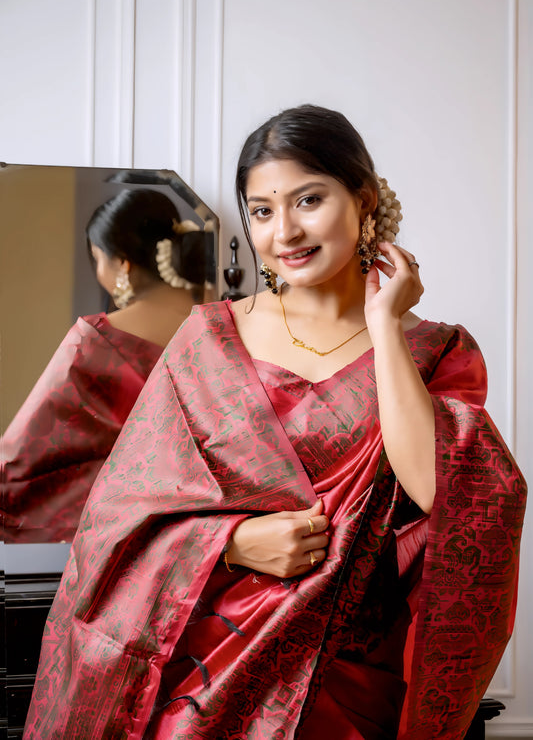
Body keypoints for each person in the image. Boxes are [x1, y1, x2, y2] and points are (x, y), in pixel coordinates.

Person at [23, 105, 526, 739]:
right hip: (197, 681)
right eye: (261, 210)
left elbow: (447, 497)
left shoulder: (436, 351)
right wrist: (230, 544)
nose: (284, 230)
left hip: (348, 691)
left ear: (363, 200)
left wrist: (384, 330)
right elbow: (117, 514)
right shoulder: (208, 339)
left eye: (308, 200)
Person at [2, 187, 213, 542]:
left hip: (123, 526)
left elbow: (21, 460)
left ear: (122, 264)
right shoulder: (221, 325)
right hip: (204, 526)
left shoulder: (96, 339)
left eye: (97, 258)